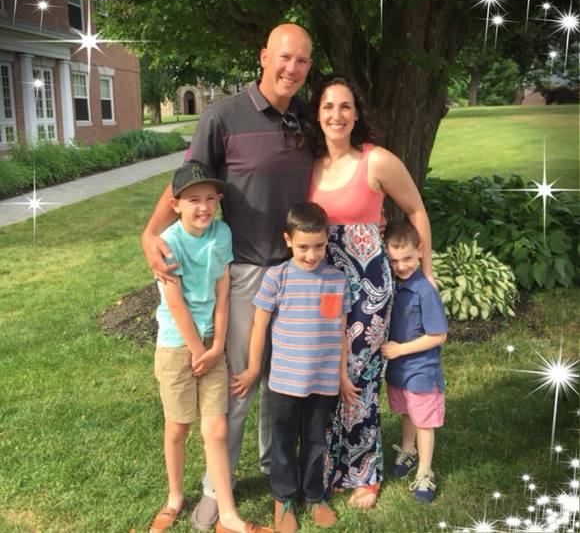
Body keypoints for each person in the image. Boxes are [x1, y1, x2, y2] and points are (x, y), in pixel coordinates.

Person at [141, 23, 313, 529]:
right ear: (264, 56)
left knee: (283, 382)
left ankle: (276, 473)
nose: (292, 68)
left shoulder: (308, 117)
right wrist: (150, 233)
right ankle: (218, 486)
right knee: (240, 383)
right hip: (245, 272)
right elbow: (187, 180)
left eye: (302, 60)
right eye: (284, 57)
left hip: (298, 272)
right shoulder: (223, 117)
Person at [306, 75, 436, 509]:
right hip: (324, 286)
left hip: (370, 290)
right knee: (328, 373)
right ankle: (328, 467)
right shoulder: (309, 164)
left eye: (345, 106)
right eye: (328, 107)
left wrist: (426, 273)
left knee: (360, 376)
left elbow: (416, 209)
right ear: (317, 114)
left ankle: (364, 471)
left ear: (357, 112)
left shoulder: (375, 160)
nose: (337, 115)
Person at [150, 160, 269, 533]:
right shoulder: (168, 243)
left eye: (209, 199)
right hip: (177, 346)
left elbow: (222, 290)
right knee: (178, 427)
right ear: (176, 205)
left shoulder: (222, 234)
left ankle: (228, 514)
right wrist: (197, 350)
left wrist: (217, 345)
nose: (203, 207)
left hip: (211, 347)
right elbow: (175, 304)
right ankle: (174, 497)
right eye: (193, 200)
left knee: (216, 430)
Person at [231, 202, 354, 533]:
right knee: (283, 442)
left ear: (328, 239)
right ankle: (283, 498)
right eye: (303, 247)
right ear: (288, 240)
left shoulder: (337, 281)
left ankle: (313, 496)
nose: (311, 255)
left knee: (315, 441)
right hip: (284, 381)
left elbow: (340, 332)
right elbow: (259, 326)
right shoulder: (277, 277)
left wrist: (342, 376)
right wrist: (253, 369)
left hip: (323, 382)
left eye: (318, 246)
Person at [380, 220, 448, 504]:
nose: (401, 266)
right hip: (399, 371)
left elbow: (438, 336)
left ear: (420, 251)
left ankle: (424, 472)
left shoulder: (424, 290)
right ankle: (408, 451)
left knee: (423, 421)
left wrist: (400, 350)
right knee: (406, 412)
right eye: (394, 260)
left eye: (407, 258)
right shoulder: (395, 285)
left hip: (420, 371)